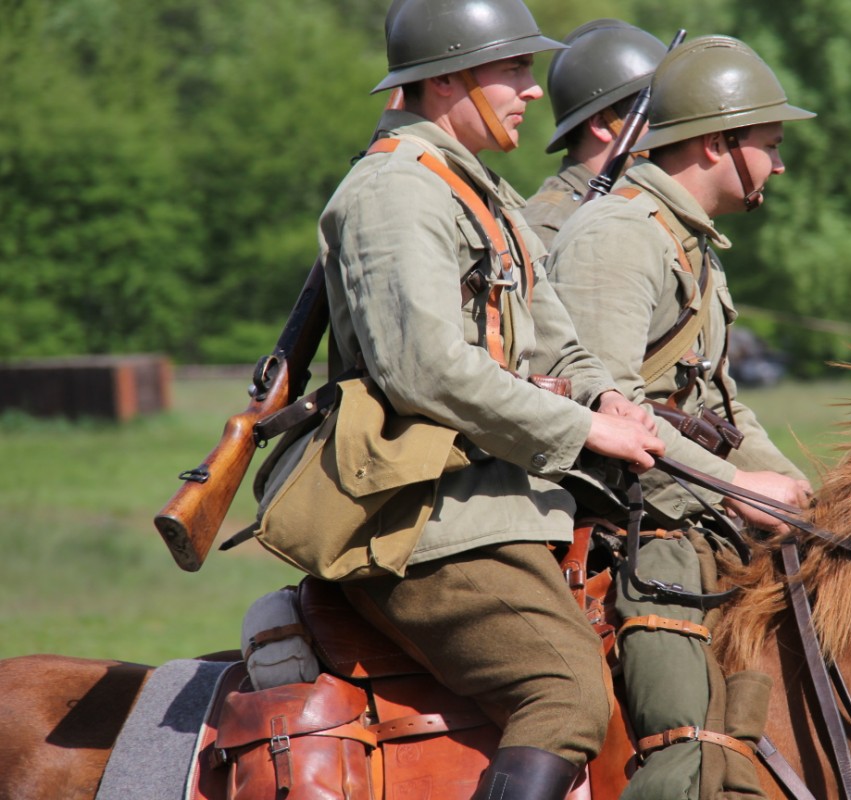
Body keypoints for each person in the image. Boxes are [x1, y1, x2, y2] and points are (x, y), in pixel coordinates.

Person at [262, 1, 665, 798]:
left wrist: (609, 400)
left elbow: (556, 342)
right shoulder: (396, 192)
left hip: (494, 500)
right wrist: (585, 430)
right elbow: (425, 369)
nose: (534, 90)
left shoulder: (475, 189)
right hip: (420, 513)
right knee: (567, 695)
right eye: (513, 69)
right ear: (448, 79)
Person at [546, 35, 816, 799]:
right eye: (770, 144)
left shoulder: (687, 242)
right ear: (716, 143)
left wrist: (804, 497)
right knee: (687, 736)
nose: (779, 164)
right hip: (624, 527)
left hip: (678, 505)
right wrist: (737, 487)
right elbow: (609, 416)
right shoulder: (618, 237)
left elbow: (720, 406)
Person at [523, 19, 667, 249]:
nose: (668, 127)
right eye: (654, 114)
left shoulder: (641, 209)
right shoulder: (549, 226)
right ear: (601, 124)